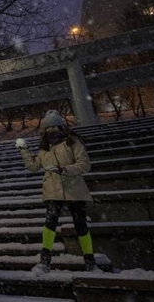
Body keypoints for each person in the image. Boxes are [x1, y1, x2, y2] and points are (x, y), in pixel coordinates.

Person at [15, 110, 101, 273]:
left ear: (61, 127)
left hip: (73, 189)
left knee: (80, 225)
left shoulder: (72, 142)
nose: (50, 131)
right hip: (53, 190)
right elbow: (33, 166)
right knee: (50, 223)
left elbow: (85, 164)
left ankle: (90, 261)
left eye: (54, 127)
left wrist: (64, 169)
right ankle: (45, 261)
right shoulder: (44, 148)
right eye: (47, 128)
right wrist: (23, 150)